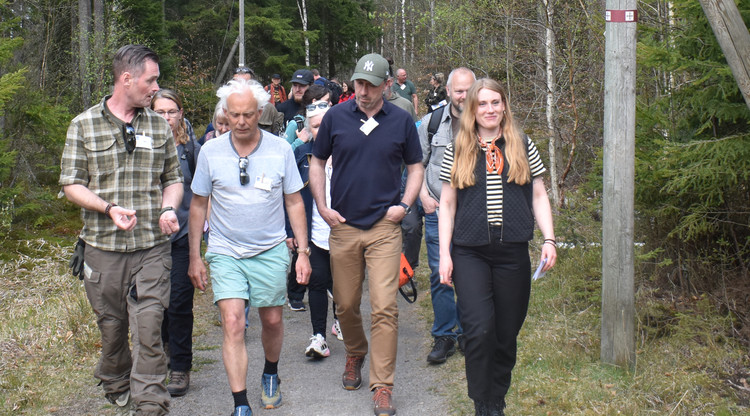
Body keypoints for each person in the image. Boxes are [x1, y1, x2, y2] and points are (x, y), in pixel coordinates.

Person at [59, 44, 182, 415]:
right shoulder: (84, 124)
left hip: (151, 247)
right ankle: (115, 380)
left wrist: (167, 208)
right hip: (102, 249)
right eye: (151, 80)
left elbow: (173, 179)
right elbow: (71, 184)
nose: (156, 88)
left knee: (149, 326)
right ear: (126, 79)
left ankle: (151, 402)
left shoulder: (159, 127)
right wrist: (107, 208)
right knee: (112, 330)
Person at [188, 79, 311, 416]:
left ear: (260, 113)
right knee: (232, 322)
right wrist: (195, 256)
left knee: (271, 320)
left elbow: (294, 202)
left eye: (248, 115)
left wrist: (302, 252)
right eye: (234, 115)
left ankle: (270, 373)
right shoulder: (211, 152)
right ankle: (240, 404)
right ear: (225, 113)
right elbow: (198, 205)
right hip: (226, 251)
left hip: (269, 249)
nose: (241, 122)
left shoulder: (279, 149)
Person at [310, 52, 423, 416]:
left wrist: (404, 205)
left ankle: (382, 386)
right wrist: (323, 208)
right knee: (344, 303)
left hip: (384, 228)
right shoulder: (336, 117)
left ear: (387, 85)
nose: (363, 91)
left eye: (371, 85)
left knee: (384, 307)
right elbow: (317, 161)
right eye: (358, 83)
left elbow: (415, 167)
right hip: (343, 226)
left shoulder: (402, 121)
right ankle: (355, 352)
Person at [437, 78, 557, 416]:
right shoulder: (458, 148)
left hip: (512, 253)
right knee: (479, 330)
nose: (489, 110)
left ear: (504, 106)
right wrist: (444, 254)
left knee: (505, 334)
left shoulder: (521, 144)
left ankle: (497, 401)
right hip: (469, 251)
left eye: (496, 103)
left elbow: (538, 194)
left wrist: (549, 238)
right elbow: (446, 205)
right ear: (472, 110)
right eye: (482, 104)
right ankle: (481, 403)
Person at [417, 68, 476, 364]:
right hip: (438, 210)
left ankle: (468, 333)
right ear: (448, 91)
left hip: (473, 214)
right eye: (458, 90)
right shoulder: (431, 123)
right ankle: (444, 335)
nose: (462, 96)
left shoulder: (486, 122)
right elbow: (417, 166)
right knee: (442, 274)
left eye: (468, 90)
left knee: (470, 274)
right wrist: (423, 198)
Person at [151, 88, 201, 397]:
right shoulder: (140, 143)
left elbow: (199, 190)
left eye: (172, 112)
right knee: (155, 303)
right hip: (148, 238)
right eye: (160, 112)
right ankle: (163, 351)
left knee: (180, 302)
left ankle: (181, 367)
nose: (167, 118)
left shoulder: (190, 147)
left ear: (180, 113)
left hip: (182, 235)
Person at [285, 101, 339, 358]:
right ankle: (319, 337)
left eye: (326, 124)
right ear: (308, 129)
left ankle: (341, 320)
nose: (322, 130)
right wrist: (290, 232)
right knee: (316, 283)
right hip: (314, 232)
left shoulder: (348, 152)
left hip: (345, 231)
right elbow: (291, 197)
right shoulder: (301, 155)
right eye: (316, 126)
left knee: (343, 285)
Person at [283, 84, 330, 152]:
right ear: (314, 102)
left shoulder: (328, 122)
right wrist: (299, 141)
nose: (330, 103)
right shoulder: (295, 124)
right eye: (327, 101)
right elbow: (283, 154)